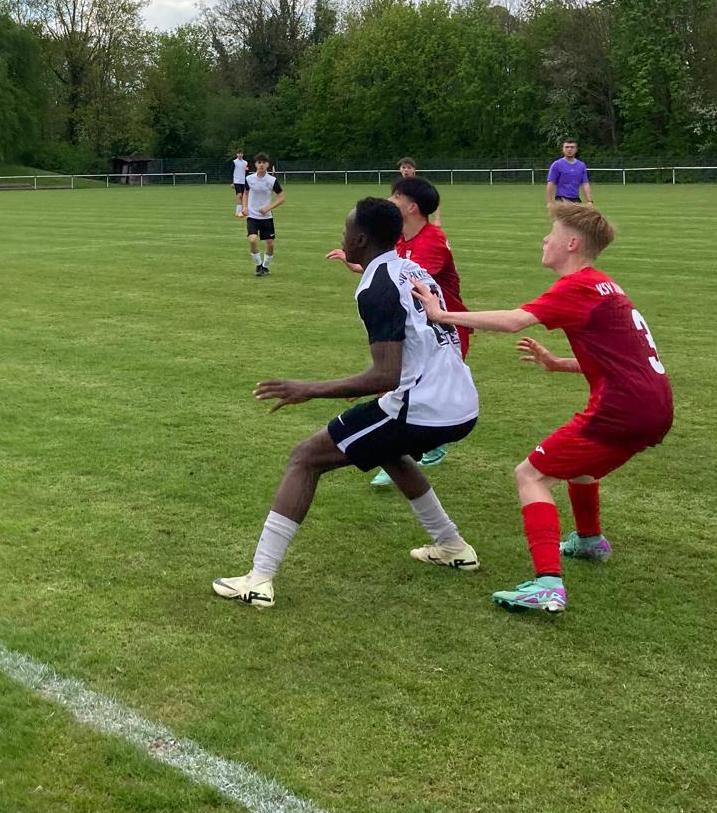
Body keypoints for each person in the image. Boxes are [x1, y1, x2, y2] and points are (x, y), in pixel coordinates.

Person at [213, 197, 480, 608]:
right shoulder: (413, 269)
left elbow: (386, 374)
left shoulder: (376, 286)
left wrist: (308, 388)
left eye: (345, 230)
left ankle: (259, 579)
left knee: (305, 457)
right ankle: (453, 546)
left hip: (423, 406)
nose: (342, 237)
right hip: (460, 400)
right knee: (388, 452)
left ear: (359, 239)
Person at [413, 202, 673, 615]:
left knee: (530, 474)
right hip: (654, 404)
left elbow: (514, 321)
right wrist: (558, 363)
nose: (545, 240)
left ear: (571, 244)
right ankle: (589, 540)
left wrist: (441, 314)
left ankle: (548, 586)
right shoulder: (605, 285)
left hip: (624, 408)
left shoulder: (578, 286)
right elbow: (624, 358)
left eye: (552, 233)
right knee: (579, 464)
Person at [330, 177, 471, 487]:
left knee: (407, 388)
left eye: (395, 196)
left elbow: (406, 281)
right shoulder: (404, 240)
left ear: (411, 207)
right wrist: (356, 263)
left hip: (444, 326)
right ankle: (403, 449)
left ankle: (422, 446)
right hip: (420, 323)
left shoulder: (431, 240)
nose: (390, 200)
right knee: (397, 388)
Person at [241, 153, 284, 276]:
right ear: (255, 164)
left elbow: (281, 198)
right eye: (259, 162)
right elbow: (245, 193)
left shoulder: (272, 180)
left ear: (267, 165)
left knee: (270, 244)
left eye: (264, 162)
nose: (261, 165)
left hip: (266, 217)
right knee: (253, 240)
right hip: (252, 216)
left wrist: (268, 208)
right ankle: (258, 265)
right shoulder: (249, 179)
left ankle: (265, 266)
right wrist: (245, 207)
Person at [546, 139, 593, 206]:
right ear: (563, 149)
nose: (569, 149)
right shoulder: (557, 164)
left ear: (576, 150)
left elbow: (585, 184)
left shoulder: (581, 165)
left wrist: (589, 201)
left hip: (576, 200)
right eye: (567, 147)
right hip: (561, 200)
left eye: (572, 147)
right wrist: (549, 202)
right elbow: (551, 183)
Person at [231, 151, 248, 217]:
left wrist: (247, 181)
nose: (240, 154)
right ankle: (238, 212)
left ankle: (242, 211)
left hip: (243, 182)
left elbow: (247, 172)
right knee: (239, 195)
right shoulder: (234, 162)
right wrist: (232, 182)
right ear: (237, 154)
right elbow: (231, 172)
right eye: (239, 153)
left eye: (241, 153)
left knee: (243, 197)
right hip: (236, 181)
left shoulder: (245, 162)